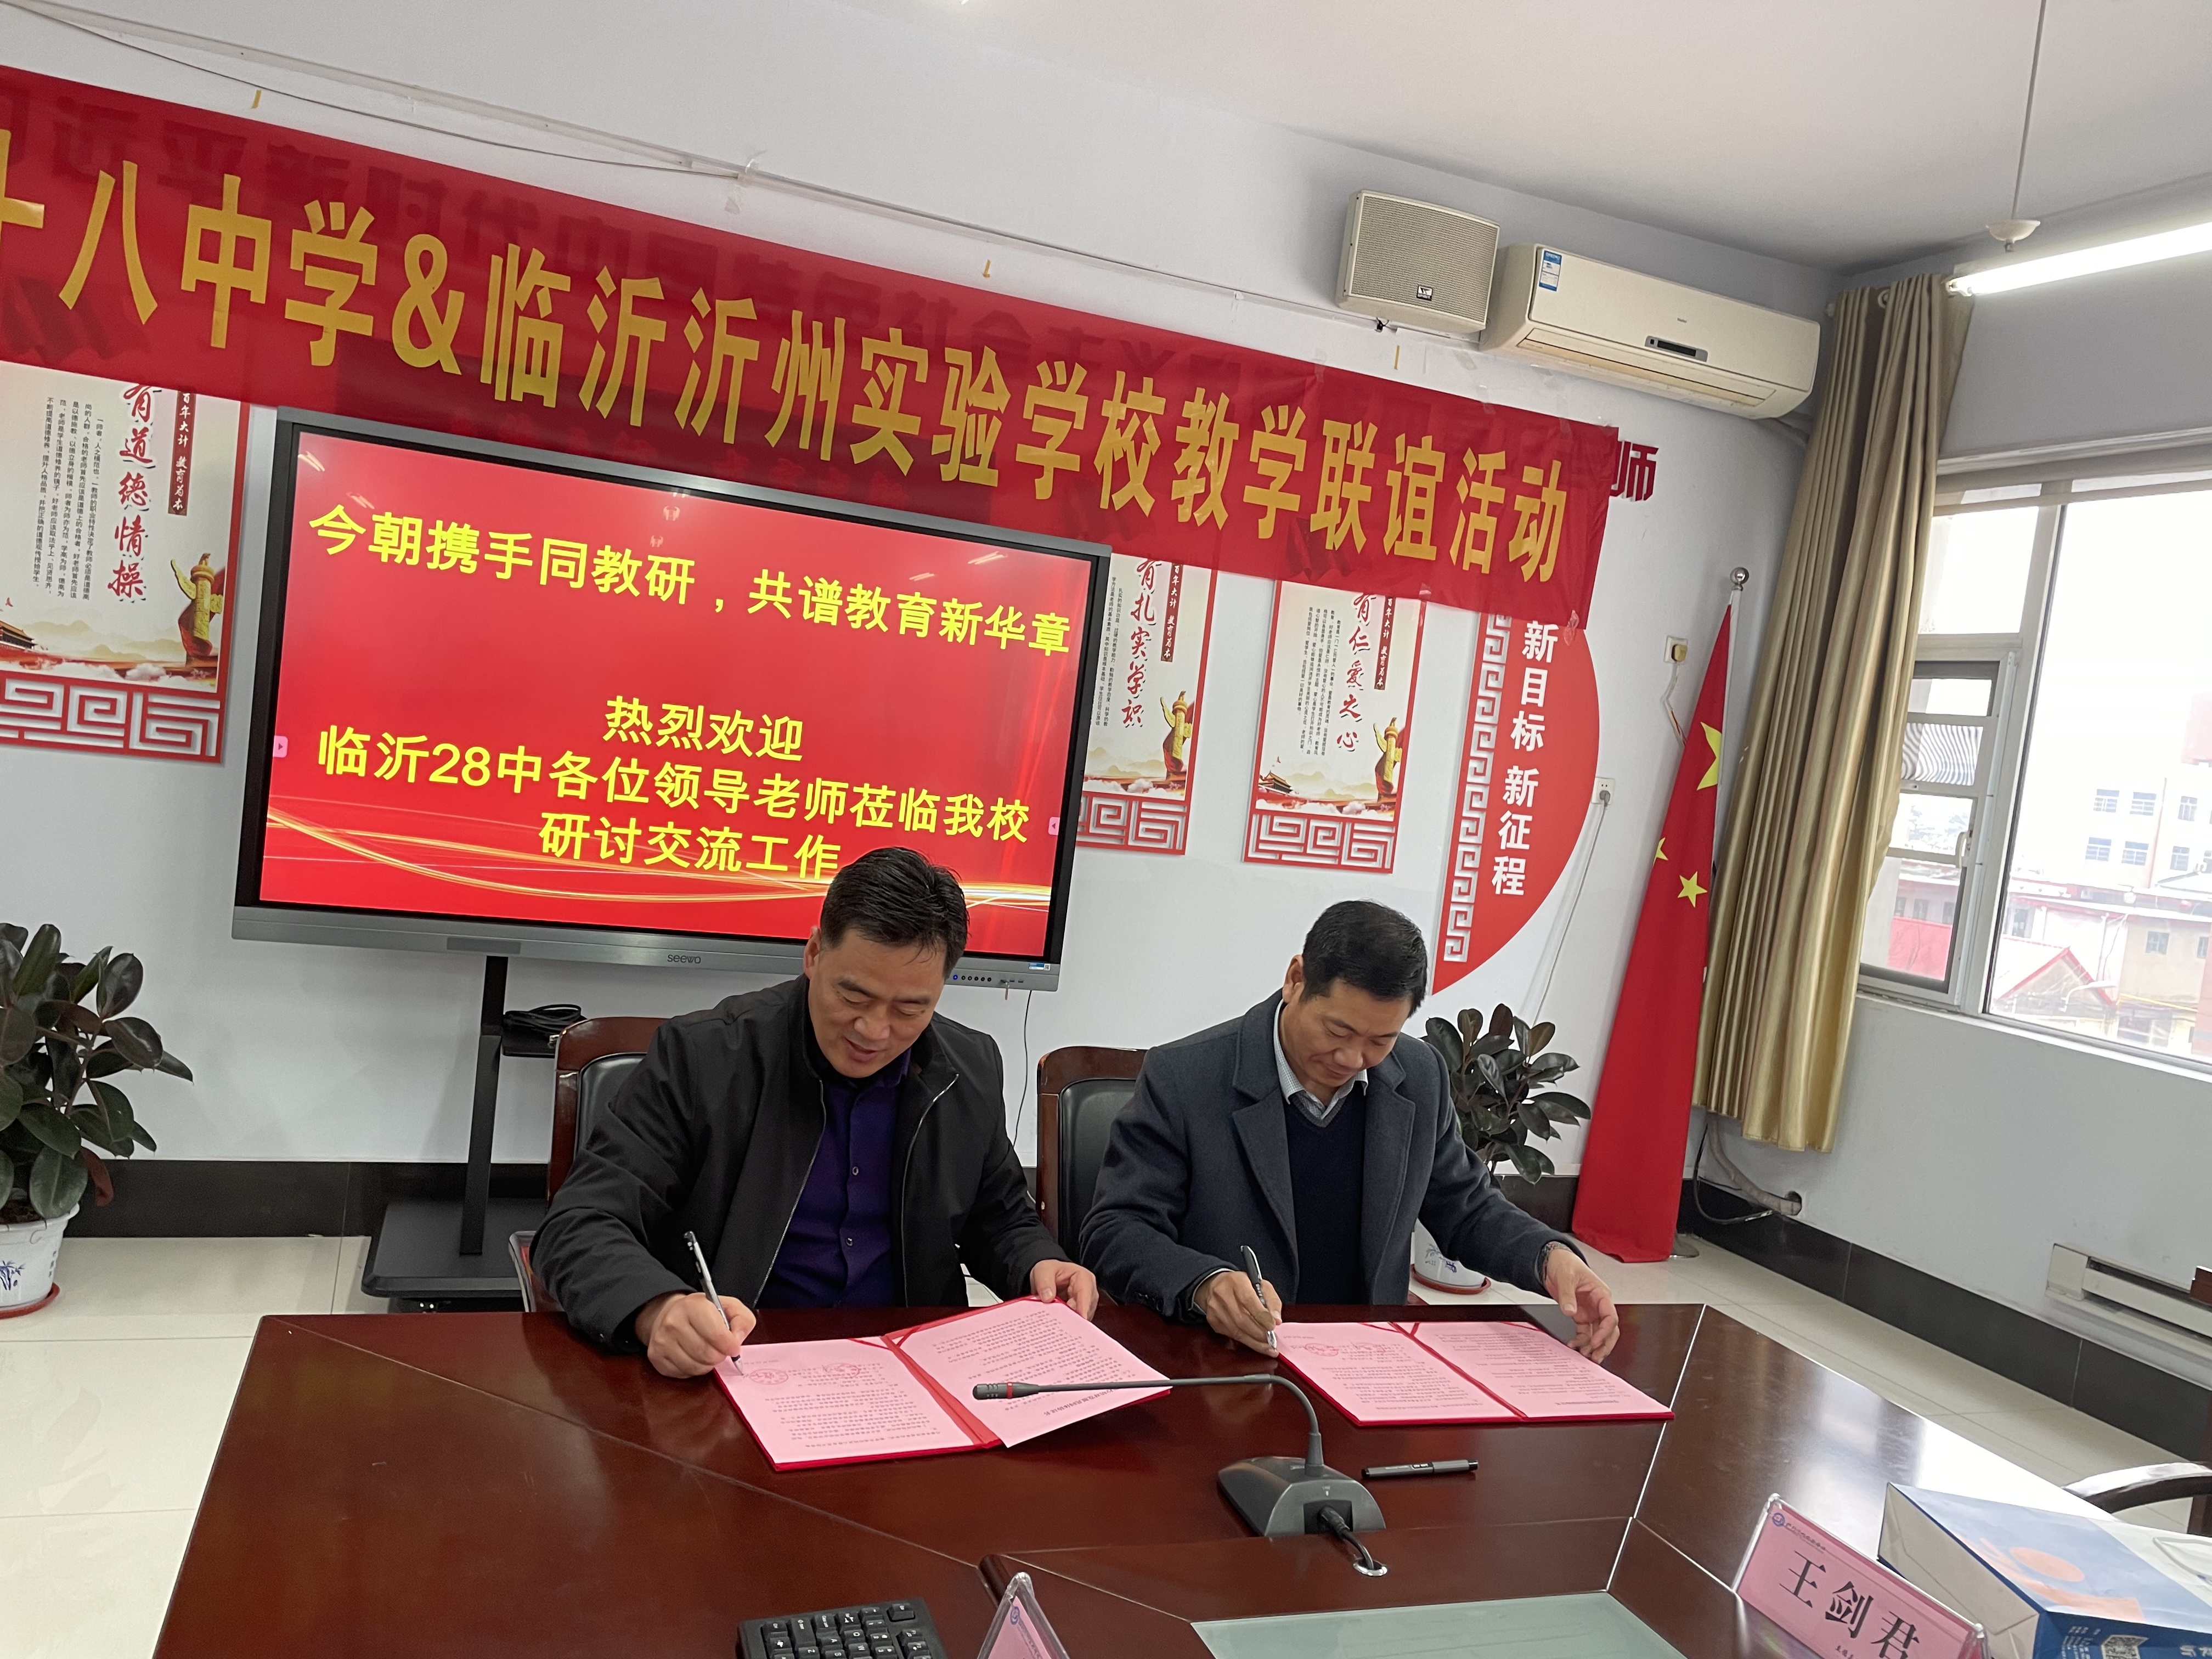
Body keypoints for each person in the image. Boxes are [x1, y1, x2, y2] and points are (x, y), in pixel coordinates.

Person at [534, 847, 1098, 1379]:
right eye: (853, 997)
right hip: (738, 1364)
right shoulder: (704, 1058)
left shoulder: (968, 1068)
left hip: (909, 1371)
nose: (874, 1030)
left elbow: (999, 1218)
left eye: (910, 1009)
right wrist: (657, 1308)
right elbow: (579, 1224)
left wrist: (1039, 1264)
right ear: (813, 954)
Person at [1080, 900, 1618, 1361]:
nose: (1352, 1058)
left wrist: (1550, 1257)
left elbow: (1465, 1207)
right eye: (1337, 1030)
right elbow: (1116, 1229)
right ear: (1296, 980)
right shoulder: (1186, 1077)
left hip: (1367, 1361)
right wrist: (1205, 1284)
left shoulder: (1419, 1075)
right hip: (1227, 1361)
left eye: (1380, 1040)